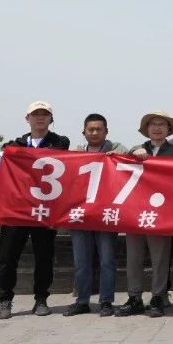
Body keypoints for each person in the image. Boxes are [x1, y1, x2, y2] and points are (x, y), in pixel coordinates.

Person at [0, 102, 70, 319]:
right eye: (35, 114)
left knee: (44, 256)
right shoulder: (14, 146)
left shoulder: (59, 143)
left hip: (44, 210)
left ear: (51, 119)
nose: (40, 118)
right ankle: (5, 300)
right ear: (27, 118)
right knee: (8, 257)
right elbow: (1, 177)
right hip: (17, 209)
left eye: (45, 114)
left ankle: (41, 298)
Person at [118, 110, 173, 318]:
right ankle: (134, 296)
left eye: (162, 124)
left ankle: (158, 297)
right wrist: (133, 152)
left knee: (160, 258)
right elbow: (116, 165)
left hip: (162, 213)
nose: (157, 128)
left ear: (168, 129)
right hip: (135, 212)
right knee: (133, 257)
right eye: (153, 124)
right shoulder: (136, 150)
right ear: (146, 129)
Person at [65, 114, 128, 318]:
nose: (94, 133)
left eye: (99, 129)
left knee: (107, 261)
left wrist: (117, 158)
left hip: (105, 215)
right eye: (90, 129)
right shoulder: (74, 153)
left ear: (106, 131)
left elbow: (132, 163)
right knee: (81, 261)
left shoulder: (117, 149)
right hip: (80, 214)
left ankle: (106, 301)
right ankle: (82, 301)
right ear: (83, 132)